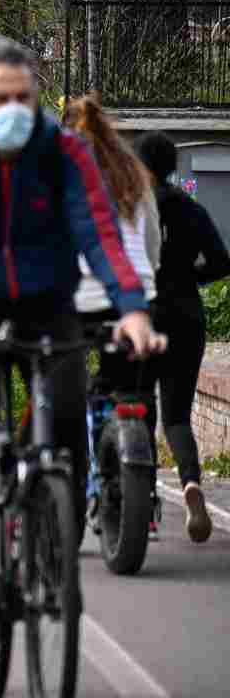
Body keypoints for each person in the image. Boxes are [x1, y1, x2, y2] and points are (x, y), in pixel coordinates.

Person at [0, 37, 164, 619]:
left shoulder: (65, 154)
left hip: (49, 304)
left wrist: (132, 307)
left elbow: (98, 232)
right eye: (2, 98)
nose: (14, 109)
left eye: (25, 97)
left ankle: (56, 542)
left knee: (71, 412)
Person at [63, 95, 163, 536]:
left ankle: (72, 482)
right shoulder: (134, 177)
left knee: (62, 394)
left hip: (76, 299)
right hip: (136, 298)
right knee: (136, 396)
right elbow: (153, 247)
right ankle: (147, 487)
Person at [137, 131, 230, 543]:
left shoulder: (133, 211)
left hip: (143, 317)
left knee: (140, 409)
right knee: (177, 416)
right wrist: (189, 277)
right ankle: (191, 482)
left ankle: (145, 503)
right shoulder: (191, 209)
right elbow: (221, 262)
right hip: (186, 318)